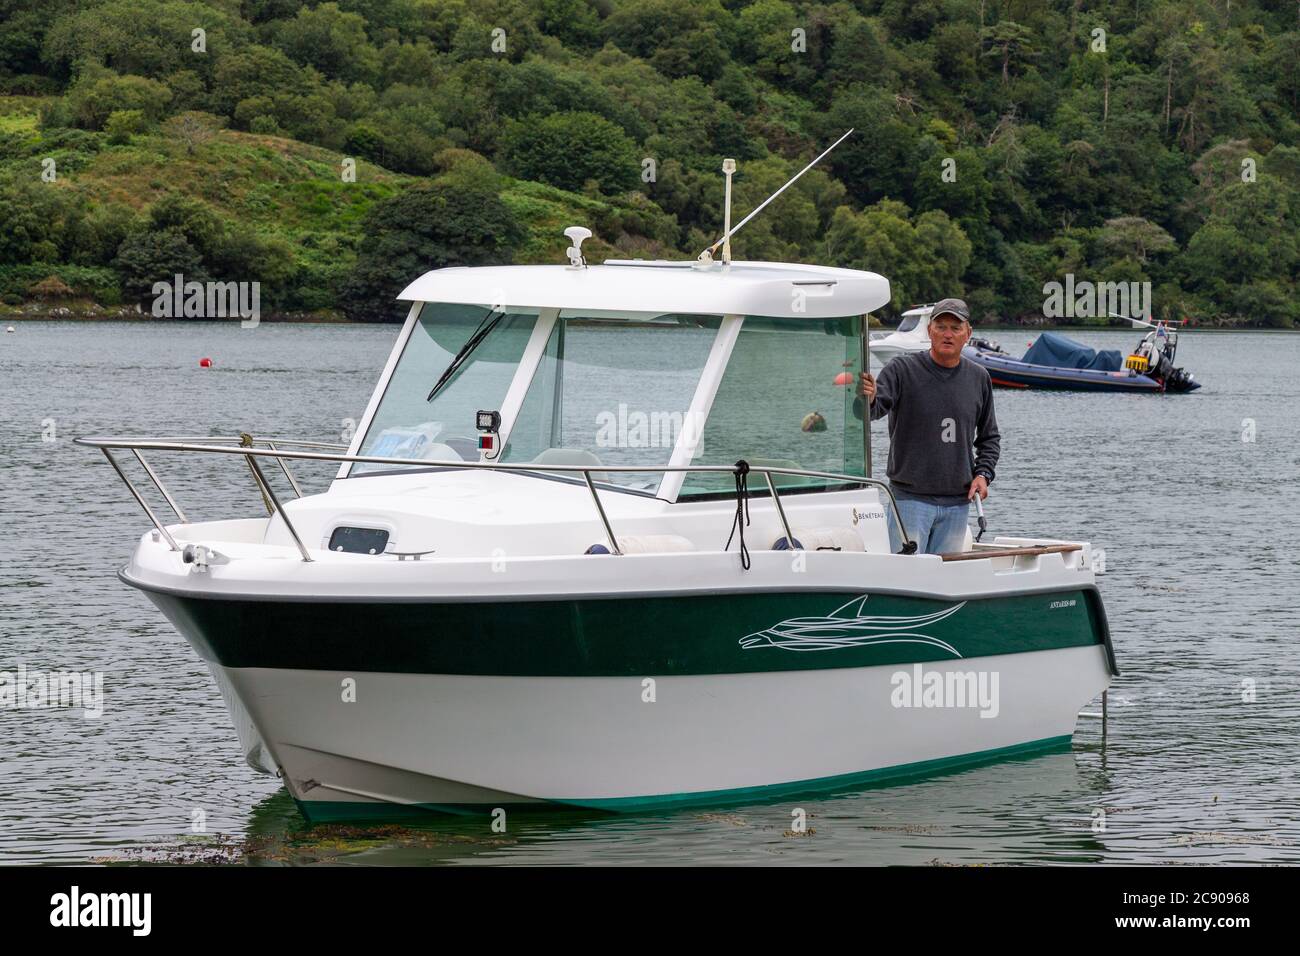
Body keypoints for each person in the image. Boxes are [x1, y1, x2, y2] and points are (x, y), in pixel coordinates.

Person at [856, 297, 1000, 555]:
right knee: (904, 577)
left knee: (946, 580)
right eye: (941, 326)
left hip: (958, 503)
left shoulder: (979, 378)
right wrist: (868, 397)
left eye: (955, 328)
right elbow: (873, 410)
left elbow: (989, 438)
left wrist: (983, 474)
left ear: (968, 333)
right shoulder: (901, 369)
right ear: (929, 330)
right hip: (910, 500)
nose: (948, 334)